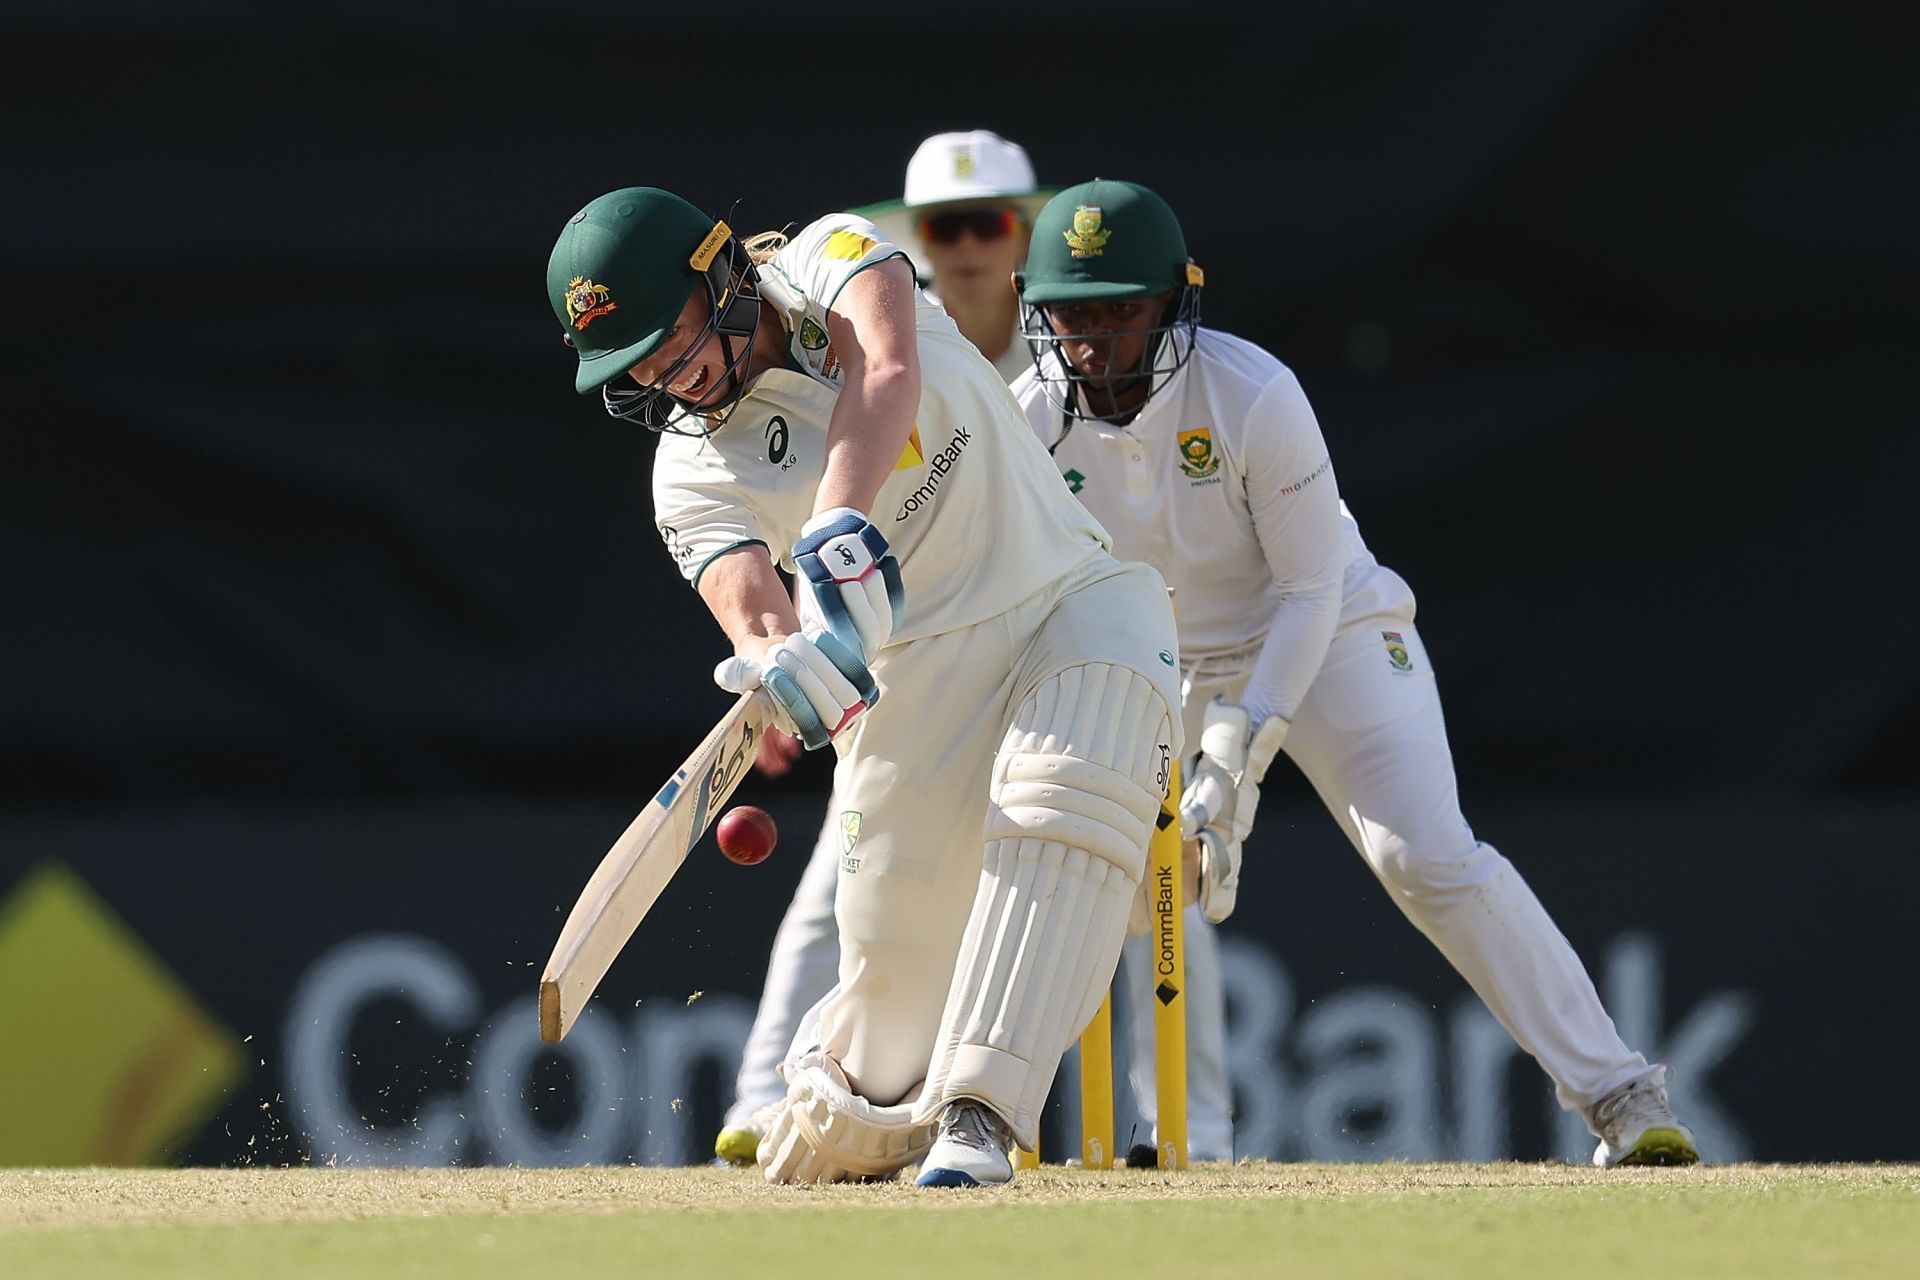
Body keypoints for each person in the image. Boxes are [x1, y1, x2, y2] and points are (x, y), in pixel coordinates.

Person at [1008, 178, 1699, 1168]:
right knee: (1135, 884)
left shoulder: (1253, 394)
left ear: (1173, 304)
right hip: (1153, 658)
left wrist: (1239, 749)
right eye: (1075, 315)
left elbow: (1306, 588)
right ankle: (1181, 1141)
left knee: (1425, 853)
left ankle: (1623, 1093)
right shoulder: (1023, 418)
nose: (1095, 342)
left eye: (1121, 311)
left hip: (1327, 629)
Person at [546, 185, 1182, 1186]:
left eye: (670, 341)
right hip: (916, 688)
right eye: (640, 370)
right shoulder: (689, 473)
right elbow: (750, 606)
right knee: (882, 1042)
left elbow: (886, 367)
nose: (672, 378)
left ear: (716, 276)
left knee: (1062, 788)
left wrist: (834, 527)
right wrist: (784, 662)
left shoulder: (832, 254)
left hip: (1063, 593)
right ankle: (848, 1114)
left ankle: (979, 1115)